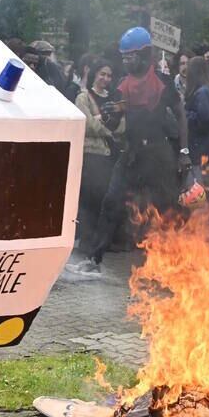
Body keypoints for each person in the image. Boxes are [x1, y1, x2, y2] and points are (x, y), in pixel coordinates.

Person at [78, 27, 190, 272]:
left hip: (158, 156)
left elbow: (181, 116)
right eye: (124, 57)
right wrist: (111, 116)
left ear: (145, 54)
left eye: (131, 57)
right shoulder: (122, 85)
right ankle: (94, 259)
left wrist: (184, 152)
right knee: (111, 203)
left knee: (166, 209)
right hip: (131, 156)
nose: (127, 62)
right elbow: (117, 124)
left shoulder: (163, 82)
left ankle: (174, 263)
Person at [74, 61, 124, 245]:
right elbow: (88, 125)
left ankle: (98, 239)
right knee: (89, 197)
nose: (105, 78)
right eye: (102, 74)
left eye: (109, 75)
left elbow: (121, 126)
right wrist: (106, 125)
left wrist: (104, 123)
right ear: (95, 74)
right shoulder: (83, 98)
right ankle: (86, 240)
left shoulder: (113, 100)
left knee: (103, 197)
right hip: (90, 153)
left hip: (108, 155)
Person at [184, 55, 209, 169]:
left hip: (201, 148)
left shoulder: (202, 93)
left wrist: (186, 114)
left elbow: (205, 118)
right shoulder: (208, 90)